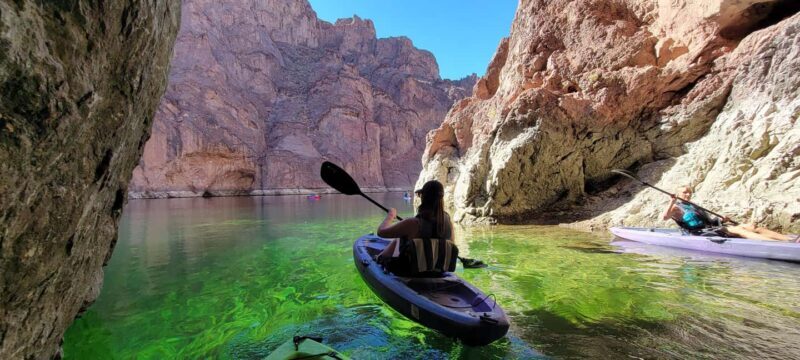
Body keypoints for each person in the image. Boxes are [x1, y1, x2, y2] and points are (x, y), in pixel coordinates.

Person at [376, 180, 459, 276]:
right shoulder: (448, 222)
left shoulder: (412, 223)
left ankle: (379, 258)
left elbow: (381, 232)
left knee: (399, 239)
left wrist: (390, 215)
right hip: (438, 272)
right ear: (441, 198)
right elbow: (451, 243)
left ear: (423, 197)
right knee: (400, 239)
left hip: (411, 272)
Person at [663, 185, 796, 241]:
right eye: (684, 192)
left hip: (710, 228)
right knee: (740, 230)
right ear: (679, 194)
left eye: (689, 192)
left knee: (752, 227)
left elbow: (709, 222)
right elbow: (665, 217)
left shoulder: (693, 206)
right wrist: (671, 201)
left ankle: (789, 239)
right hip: (697, 233)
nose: (688, 194)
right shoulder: (676, 207)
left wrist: (721, 220)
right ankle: (776, 244)